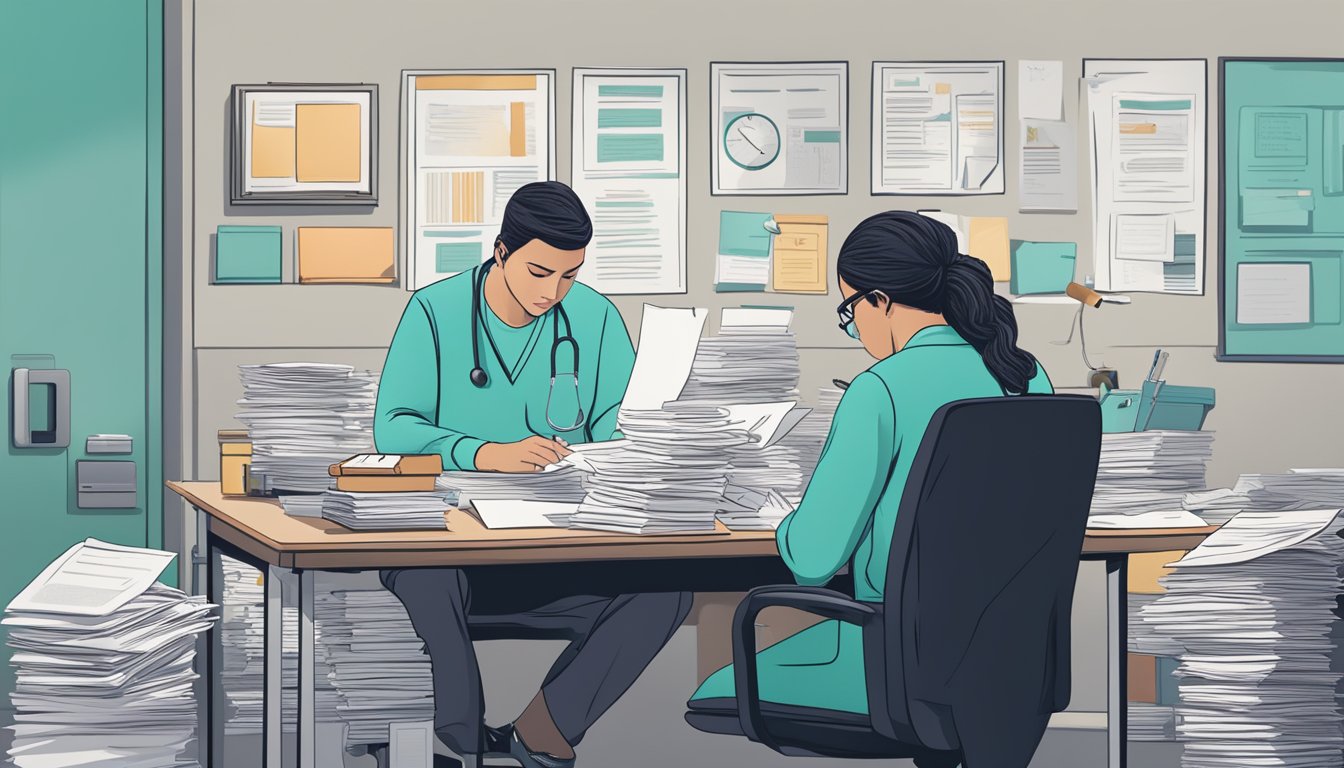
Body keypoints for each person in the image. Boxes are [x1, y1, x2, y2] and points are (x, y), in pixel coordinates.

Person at [688, 211, 1053, 736]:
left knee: (717, 685)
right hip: (1008, 660)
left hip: (895, 662)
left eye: (850, 308)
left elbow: (813, 561)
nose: (855, 326)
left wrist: (783, 517)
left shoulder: (878, 388)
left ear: (879, 300)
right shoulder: (1026, 373)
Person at [375, 181, 692, 768]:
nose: (554, 292)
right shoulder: (435, 310)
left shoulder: (594, 318)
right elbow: (393, 429)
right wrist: (485, 453)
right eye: (540, 271)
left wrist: (615, 459)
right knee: (424, 578)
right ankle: (459, 747)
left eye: (568, 275)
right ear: (501, 252)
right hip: (458, 552)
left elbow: (622, 430)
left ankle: (542, 732)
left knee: (665, 593)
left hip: (558, 549)